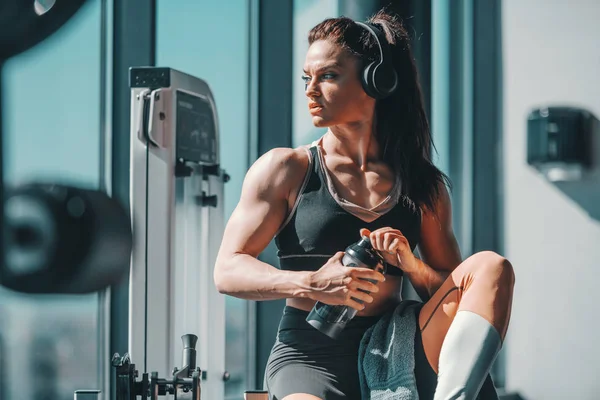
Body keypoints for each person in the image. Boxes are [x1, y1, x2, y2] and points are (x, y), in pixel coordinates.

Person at [214, 9, 515, 400]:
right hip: (311, 354)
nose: (310, 89)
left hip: (397, 344)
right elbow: (227, 270)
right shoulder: (286, 168)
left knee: (492, 267)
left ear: (376, 81)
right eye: (307, 77)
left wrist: (412, 265)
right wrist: (313, 283)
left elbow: (453, 295)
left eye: (328, 76)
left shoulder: (423, 185)